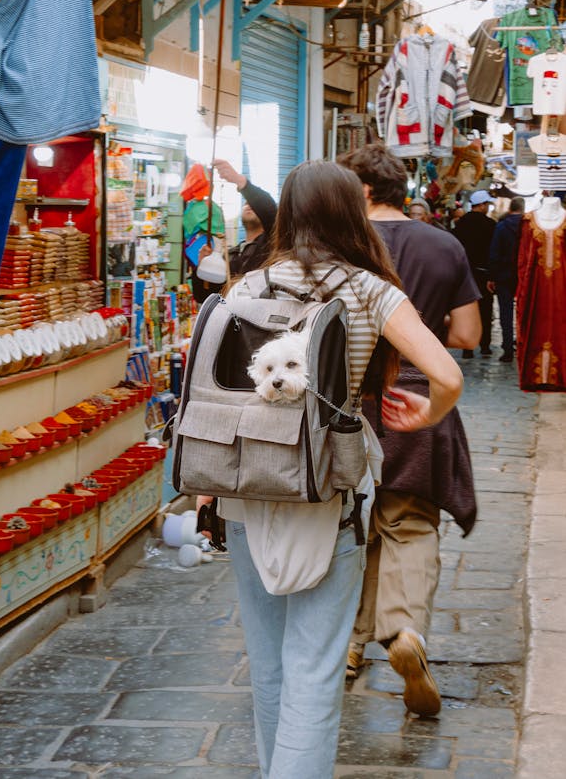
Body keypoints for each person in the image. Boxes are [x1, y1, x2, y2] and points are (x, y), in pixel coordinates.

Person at [197, 161, 464, 776]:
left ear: (288, 212)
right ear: (353, 211)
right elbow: (447, 375)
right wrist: (425, 414)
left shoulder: (249, 286)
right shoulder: (372, 288)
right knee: (315, 662)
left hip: (246, 487)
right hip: (329, 489)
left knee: (266, 660)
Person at [338, 143, 481, 718]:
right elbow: (468, 335)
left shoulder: (342, 248)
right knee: (408, 523)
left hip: (346, 404)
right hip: (417, 401)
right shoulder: (444, 244)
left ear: (364, 192)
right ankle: (403, 632)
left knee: (349, 526)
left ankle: (347, 645)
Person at [191, 158, 277, 302]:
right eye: (246, 204)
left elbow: (270, 210)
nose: (248, 205)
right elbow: (203, 296)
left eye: (253, 203)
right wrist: (202, 267)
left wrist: (240, 182)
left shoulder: (272, 245)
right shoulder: (229, 256)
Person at [453, 189, 497, 357]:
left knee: (467, 310)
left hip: (465, 274)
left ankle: (468, 348)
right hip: (483, 274)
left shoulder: (461, 223)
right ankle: (485, 345)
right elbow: (493, 252)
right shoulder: (491, 225)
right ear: (483, 205)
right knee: (485, 311)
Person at [487, 196, 525, 363]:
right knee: (524, 312)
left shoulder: (502, 227)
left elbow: (494, 253)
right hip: (523, 275)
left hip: (503, 275)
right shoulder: (528, 227)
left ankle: (508, 348)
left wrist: (492, 276)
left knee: (505, 312)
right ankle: (523, 346)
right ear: (522, 209)